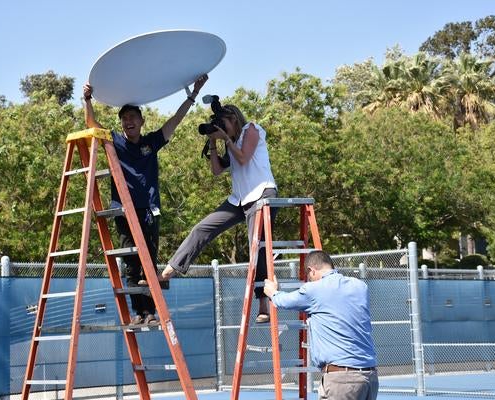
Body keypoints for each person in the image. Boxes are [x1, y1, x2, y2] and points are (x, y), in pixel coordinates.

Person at [82, 74, 208, 325]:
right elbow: (91, 124)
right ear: (121, 124)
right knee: (130, 264)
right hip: (123, 211)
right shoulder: (114, 141)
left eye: (132, 118)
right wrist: (87, 100)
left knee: (148, 263)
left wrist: (193, 94)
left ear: (141, 121)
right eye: (124, 119)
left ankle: (151, 311)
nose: (128, 122)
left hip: (149, 210)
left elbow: (175, 121)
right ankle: (138, 313)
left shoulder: (151, 142)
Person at [160, 102, 278, 323]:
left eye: (223, 124)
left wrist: (226, 139)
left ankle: (263, 302)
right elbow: (216, 170)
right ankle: (169, 271)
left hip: (262, 195)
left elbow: (243, 158)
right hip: (240, 199)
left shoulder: (251, 129)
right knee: (202, 228)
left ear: (233, 119)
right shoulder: (229, 143)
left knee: (258, 249)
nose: (222, 129)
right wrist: (214, 142)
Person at [263, 250, 378, 400]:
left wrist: (273, 292)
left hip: (342, 379)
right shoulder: (359, 286)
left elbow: (284, 301)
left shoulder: (314, 289)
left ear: (311, 271)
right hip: (370, 376)